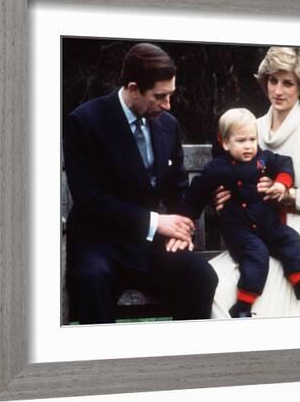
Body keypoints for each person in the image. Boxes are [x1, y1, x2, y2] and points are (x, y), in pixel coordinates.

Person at [63, 43, 218, 324]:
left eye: (170, 95)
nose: (168, 105)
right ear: (133, 88)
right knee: (92, 281)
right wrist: (156, 222)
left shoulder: (167, 126)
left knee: (201, 275)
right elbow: (90, 200)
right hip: (99, 244)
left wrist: (179, 229)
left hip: (147, 246)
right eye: (160, 96)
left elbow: (178, 190)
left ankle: (185, 362)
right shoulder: (85, 121)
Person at [211, 47, 300, 317]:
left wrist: (292, 196)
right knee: (215, 285)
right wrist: (224, 194)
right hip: (255, 235)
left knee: (261, 301)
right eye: (273, 80)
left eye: (287, 83)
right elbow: (230, 173)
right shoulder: (253, 128)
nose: (277, 90)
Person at [180, 108, 300, 317]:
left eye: (252, 139)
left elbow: (284, 163)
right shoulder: (217, 168)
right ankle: (243, 305)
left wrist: (282, 184)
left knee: (289, 238)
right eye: (241, 141)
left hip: (267, 223)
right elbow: (195, 196)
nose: (248, 146)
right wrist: (183, 222)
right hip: (239, 231)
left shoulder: (262, 159)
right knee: (258, 255)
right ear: (225, 143)